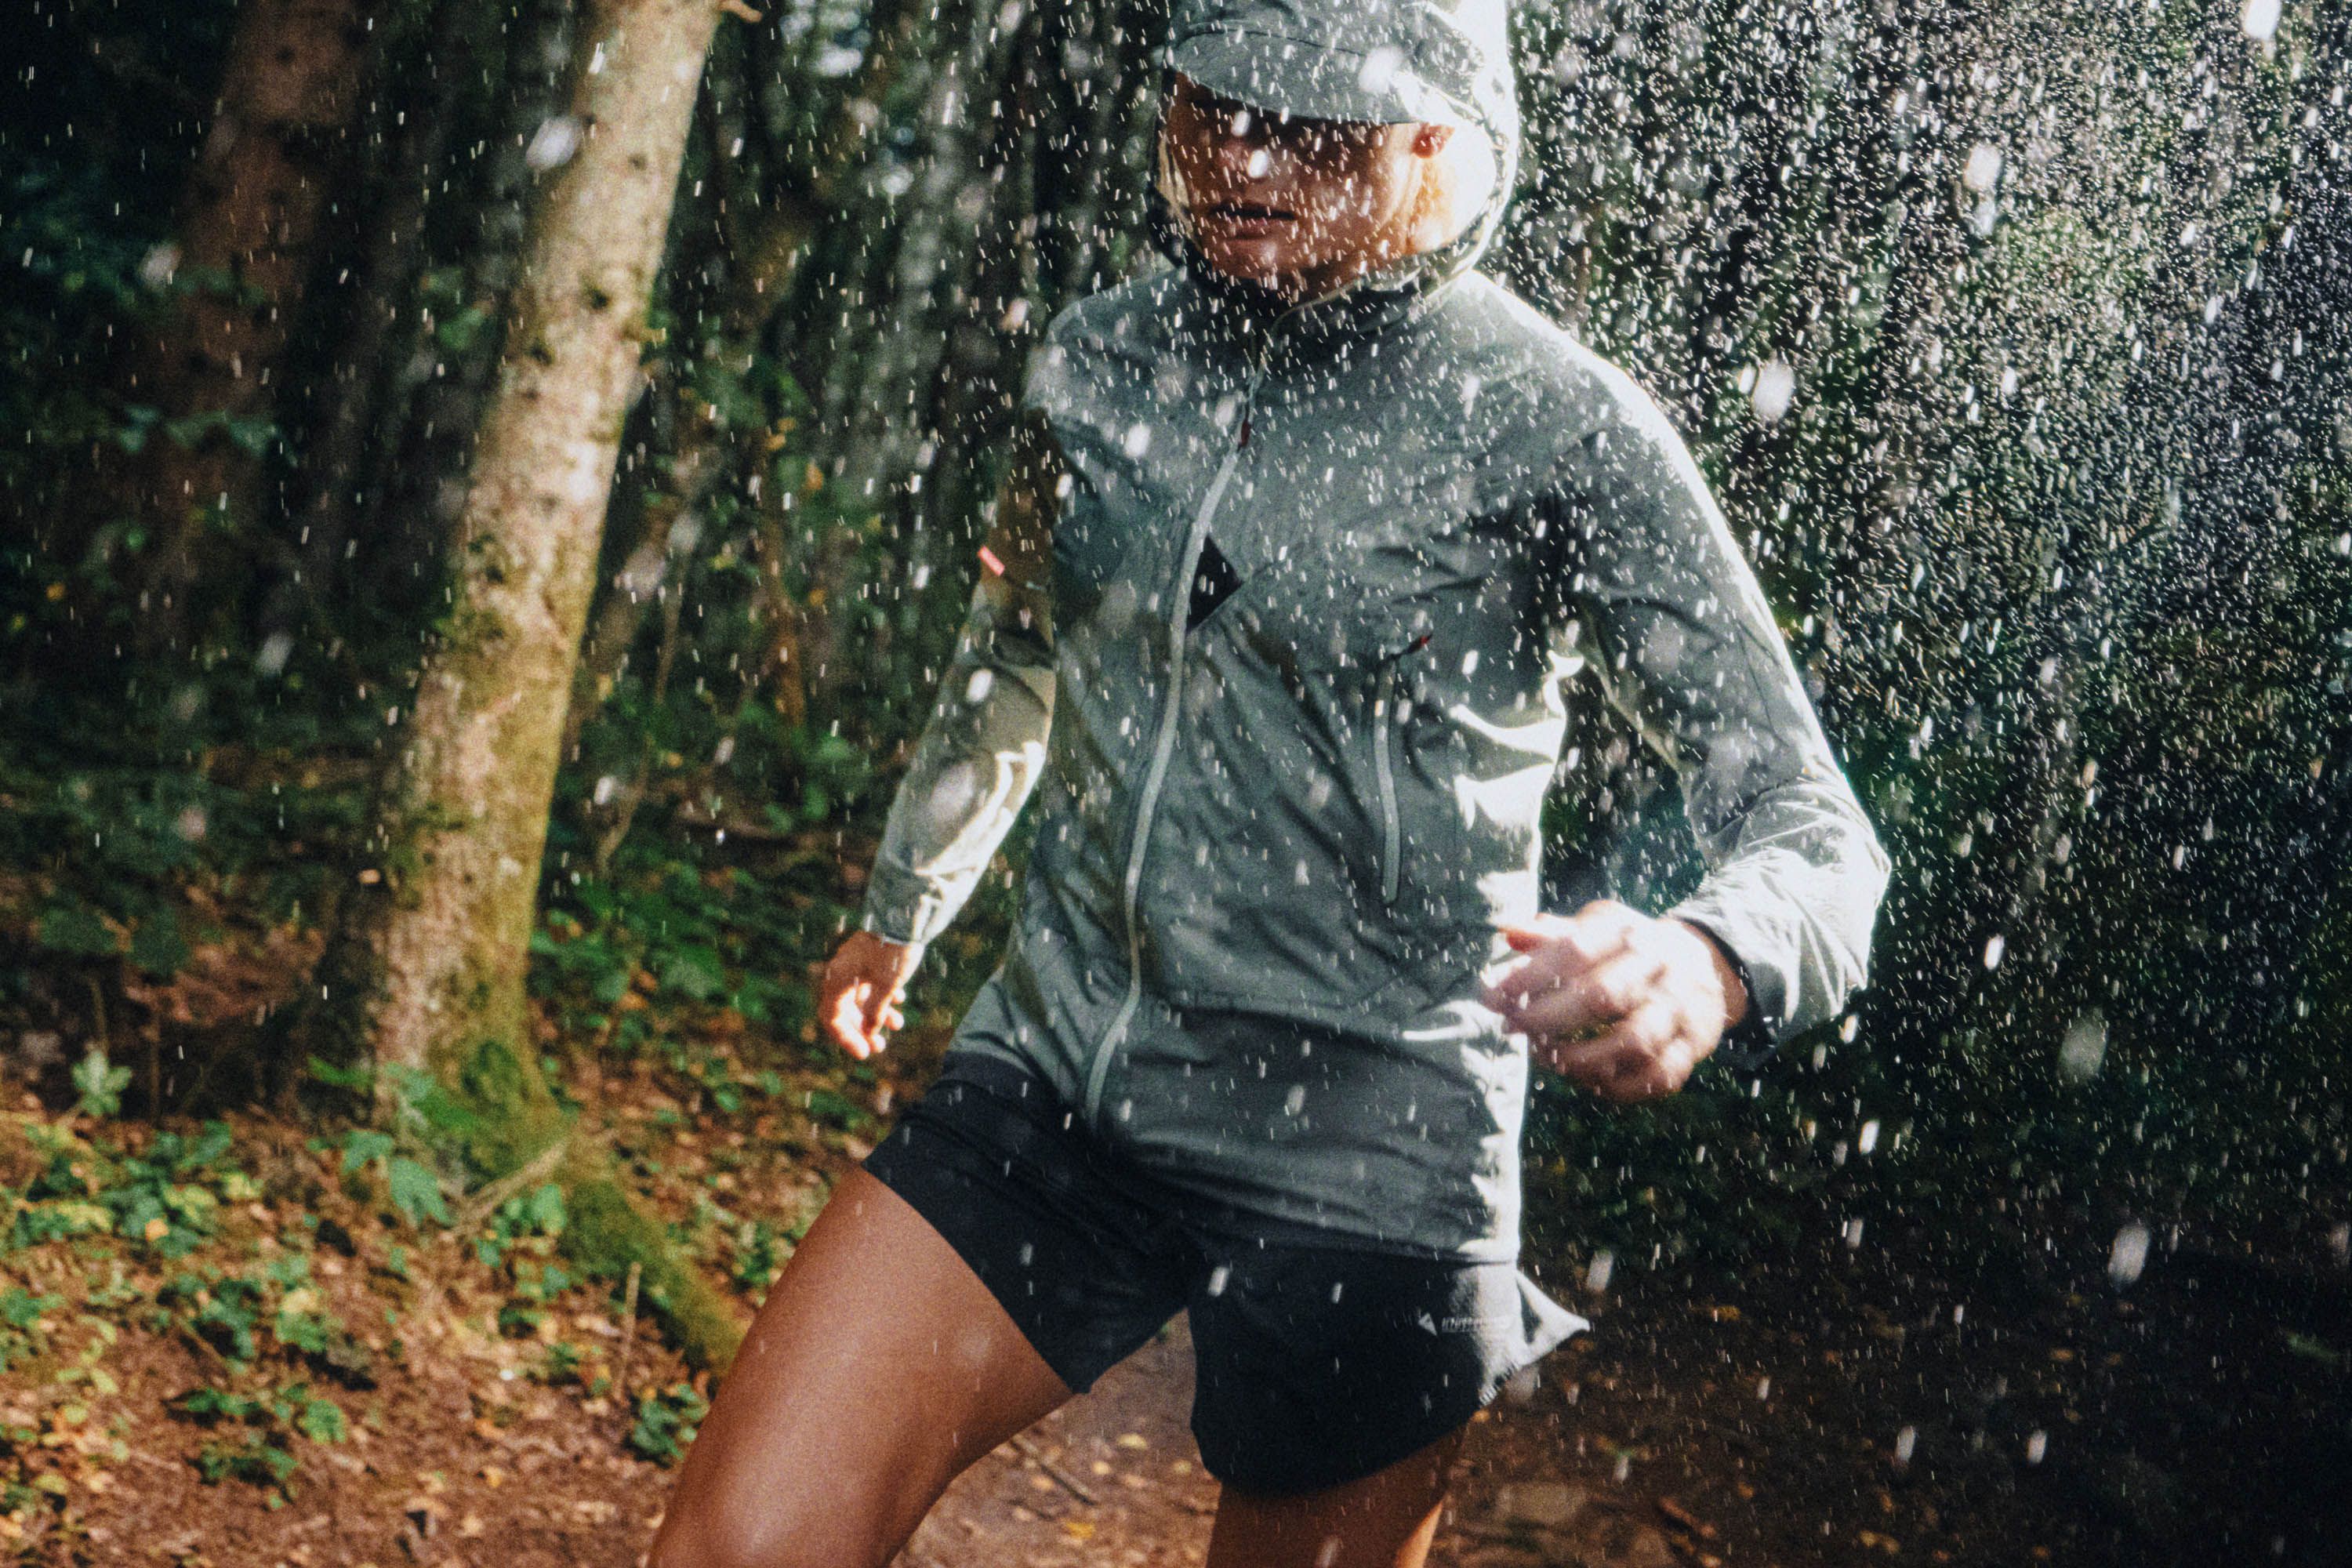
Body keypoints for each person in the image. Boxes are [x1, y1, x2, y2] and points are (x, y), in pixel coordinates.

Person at [649, 0, 1891, 1563]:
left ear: (1445, 144)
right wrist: (905, 901)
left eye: (1309, 130)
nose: (1240, 159)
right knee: (737, 1544)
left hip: (1367, 1155)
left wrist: (1708, 959)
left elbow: (1810, 826)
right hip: (1065, 1080)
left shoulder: (1560, 429)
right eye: (1210, 109)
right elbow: (1020, 640)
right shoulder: (1098, 361)